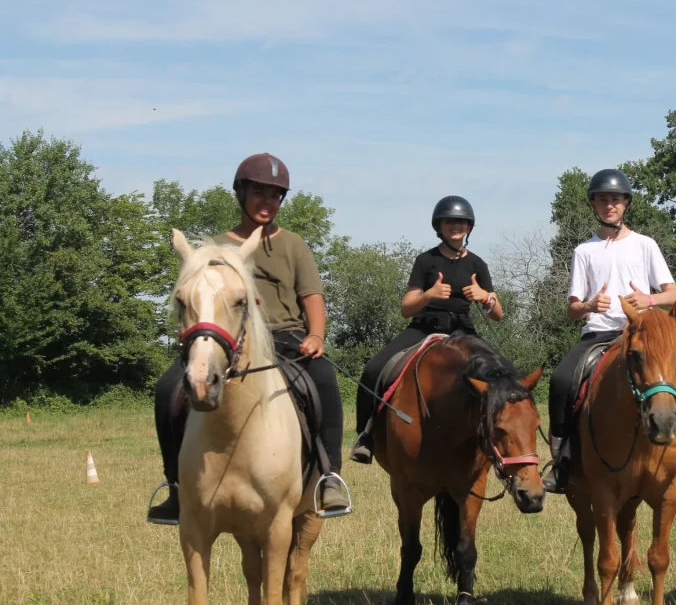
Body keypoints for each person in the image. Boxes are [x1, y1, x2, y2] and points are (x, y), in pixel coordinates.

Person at [148, 153, 348, 524]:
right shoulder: (219, 247)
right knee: (166, 389)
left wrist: (317, 335)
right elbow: (195, 295)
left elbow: (312, 297)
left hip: (286, 338)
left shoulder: (294, 245)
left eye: (274, 196)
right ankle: (176, 486)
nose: (267, 202)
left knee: (324, 380)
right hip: (227, 342)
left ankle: (328, 476)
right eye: (259, 193)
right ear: (240, 194)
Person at [543, 169, 676, 497]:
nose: (609, 205)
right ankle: (561, 463)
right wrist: (588, 305)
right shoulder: (584, 251)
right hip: (599, 334)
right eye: (602, 200)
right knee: (560, 381)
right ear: (593, 206)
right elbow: (571, 309)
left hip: (643, 333)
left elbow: (674, 294)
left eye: (615, 200)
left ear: (626, 204)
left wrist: (648, 299)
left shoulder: (645, 245)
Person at [349, 196, 503, 464]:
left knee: (503, 374)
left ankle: (498, 440)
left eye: (461, 222)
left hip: (463, 331)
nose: (455, 226)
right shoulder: (425, 261)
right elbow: (406, 307)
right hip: (424, 327)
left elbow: (498, 315)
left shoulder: (477, 264)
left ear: (469, 227)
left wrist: (484, 297)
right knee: (374, 369)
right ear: (439, 226)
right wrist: (429, 295)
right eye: (449, 221)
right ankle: (366, 436)